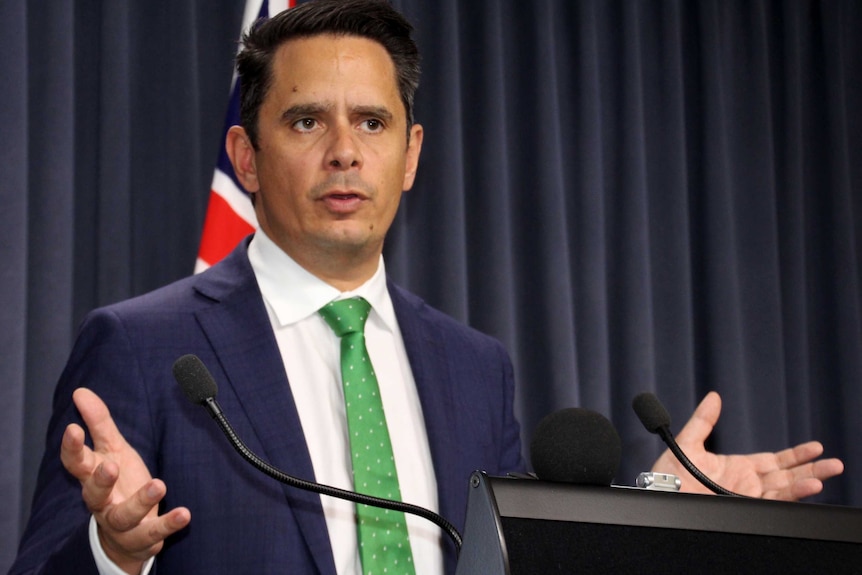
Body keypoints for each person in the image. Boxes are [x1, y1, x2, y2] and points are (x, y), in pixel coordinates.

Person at [10, 1, 844, 574]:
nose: (344, 151)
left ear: (409, 156)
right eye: (307, 121)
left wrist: (668, 509)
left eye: (371, 123)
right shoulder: (147, 346)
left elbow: (517, 560)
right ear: (245, 156)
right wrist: (110, 551)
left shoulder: (476, 367)